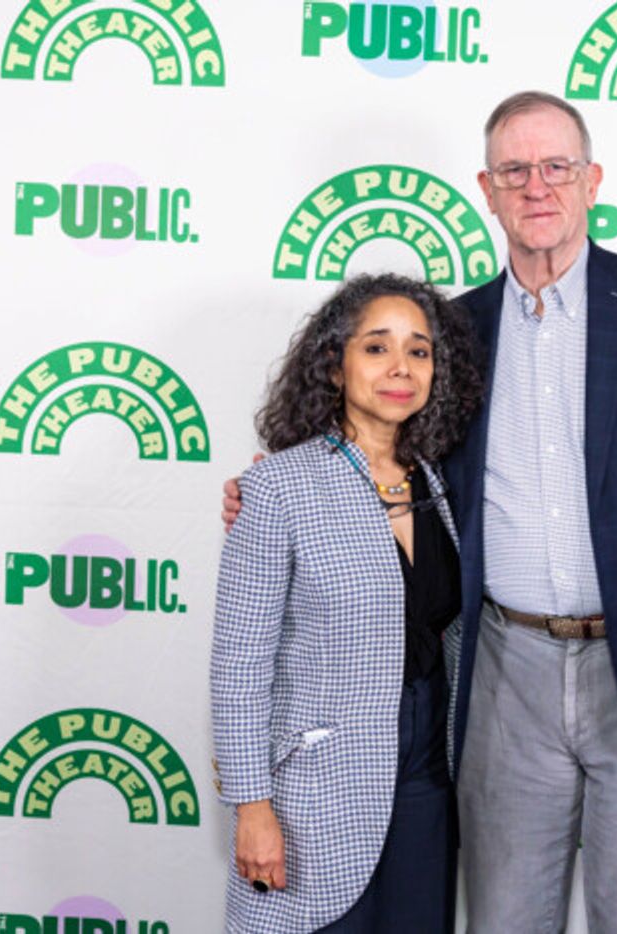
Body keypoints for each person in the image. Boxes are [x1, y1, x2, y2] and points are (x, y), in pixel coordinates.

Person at [224, 90, 617, 933]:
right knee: (503, 919)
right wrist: (280, 483)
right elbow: (383, 437)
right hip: (502, 672)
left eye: (556, 166)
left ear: (592, 180)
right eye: (515, 171)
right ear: (485, 189)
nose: (537, 187)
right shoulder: (454, 330)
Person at [211, 273, 481, 934]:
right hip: (317, 790)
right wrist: (251, 807)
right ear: (334, 366)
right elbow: (238, 667)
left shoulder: (440, 483)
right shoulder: (277, 487)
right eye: (376, 348)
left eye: (419, 351)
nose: (400, 368)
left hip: (425, 778)